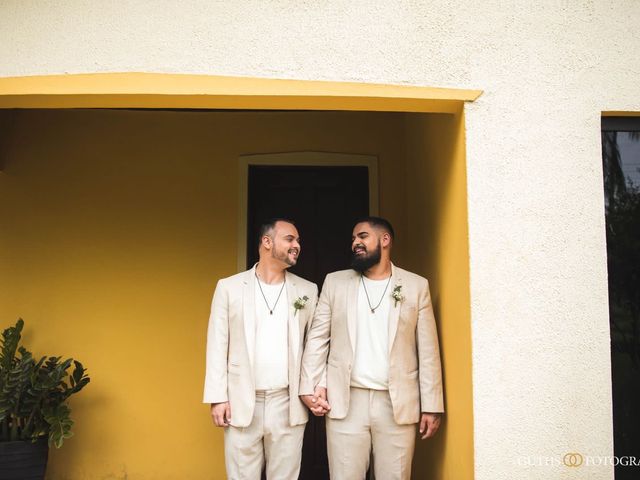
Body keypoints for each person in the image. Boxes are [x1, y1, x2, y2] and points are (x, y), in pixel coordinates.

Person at [300, 216, 444, 480]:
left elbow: (428, 350)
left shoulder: (416, 286)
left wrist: (432, 405)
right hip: (346, 402)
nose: (356, 243)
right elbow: (318, 339)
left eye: (363, 236)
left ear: (385, 240)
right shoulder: (335, 282)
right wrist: (309, 385)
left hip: (397, 404)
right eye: (354, 238)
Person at [203, 218, 318, 480]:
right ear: (267, 242)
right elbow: (217, 344)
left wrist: (313, 386)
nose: (297, 245)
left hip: (286, 403)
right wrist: (218, 397)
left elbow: (315, 347)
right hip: (242, 400)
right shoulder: (229, 287)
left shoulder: (308, 290)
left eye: (298, 241)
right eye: (290, 239)